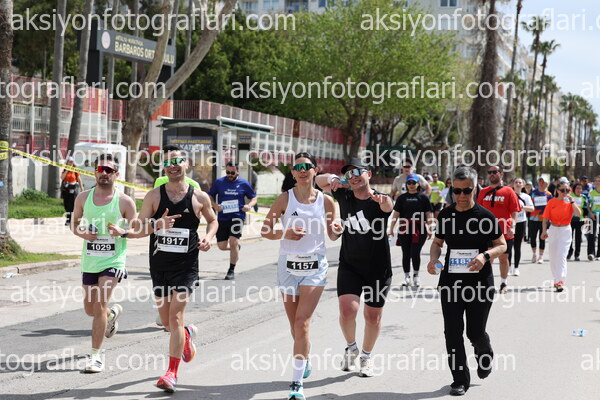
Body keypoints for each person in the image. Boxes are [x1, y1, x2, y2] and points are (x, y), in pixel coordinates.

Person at [127, 145, 217, 392]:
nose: (172, 166)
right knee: (168, 323)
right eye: (167, 162)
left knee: (176, 317)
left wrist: (208, 237)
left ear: (186, 164)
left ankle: (171, 373)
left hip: (186, 266)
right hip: (159, 266)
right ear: (163, 167)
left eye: (177, 161)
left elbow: (213, 221)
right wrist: (157, 224)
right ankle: (185, 335)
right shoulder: (154, 196)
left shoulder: (199, 197)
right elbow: (137, 229)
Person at [261, 153, 339, 400]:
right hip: (288, 266)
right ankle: (304, 354)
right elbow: (265, 230)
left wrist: (338, 230)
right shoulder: (285, 199)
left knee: (302, 322)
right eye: (298, 167)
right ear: (293, 173)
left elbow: (332, 234)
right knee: (295, 324)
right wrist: (285, 233)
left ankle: (296, 384)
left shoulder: (327, 202)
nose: (303, 170)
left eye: (307, 166)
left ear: (316, 171)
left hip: (315, 266)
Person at [427, 166, 506, 396]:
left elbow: (502, 244)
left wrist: (485, 256)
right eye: (457, 191)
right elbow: (437, 243)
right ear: (451, 189)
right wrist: (433, 259)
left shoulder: (485, 216)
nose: (461, 196)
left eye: (467, 190)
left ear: (475, 189)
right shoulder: (446, 215)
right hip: (451, 283)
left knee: (475, 332)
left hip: (480, 284)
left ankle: (484, 352)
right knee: (452, 332)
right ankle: (460, 379)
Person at [315, 158, 394, 379]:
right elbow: (318, 181)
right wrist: (334, 179)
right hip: (350, 265)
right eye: (349, 174)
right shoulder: (344, 195)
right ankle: (351, 348)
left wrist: (384, 202)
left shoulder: (379, 199)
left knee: (372, 316)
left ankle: (366, 357)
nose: (353, 177)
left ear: (368, 174)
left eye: (358, 172)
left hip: (378, 268)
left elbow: (388, 206)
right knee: (347, 310)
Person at [70, 154, 136, 373]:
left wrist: (122, 231)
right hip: (91, 260)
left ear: (116, 174)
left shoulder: (125, 201)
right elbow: (74, 224)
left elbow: (137, 228)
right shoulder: (83, 198)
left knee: (98, 305)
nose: (104, 173)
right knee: (91, 309)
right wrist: (82, 233)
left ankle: (95, 357)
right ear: (95, 172)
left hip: (113, 260)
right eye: (101, 169)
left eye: (109, 170)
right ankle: (111, 314)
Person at [208, 162, 257, 280]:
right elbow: (210, 196)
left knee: (233, 241)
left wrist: (249, 205)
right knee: (221, 246)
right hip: (222, 218)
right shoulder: (219, 182)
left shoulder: (244, 183)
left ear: (237, 171)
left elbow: (254, 197)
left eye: (232, 172)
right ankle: (235, 248)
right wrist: (214, 205)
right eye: (228, 172)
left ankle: (231, 270)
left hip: (237, 217)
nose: (230, 175)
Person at [477, 165, 520, 294]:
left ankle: (503, 283)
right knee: (487, 258)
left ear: (501, 174)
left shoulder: (509, 191)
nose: (492, 174)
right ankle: (487, 284)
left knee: (503, 258)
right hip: (486, 232)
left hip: (504, 232)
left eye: (495, 172)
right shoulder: (483, 191)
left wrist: (513, 226)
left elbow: (515, 211)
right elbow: (478, 210)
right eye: (490, 172)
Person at [388, 173, 433, 287]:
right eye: (409, 183)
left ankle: (416, 276)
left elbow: (428, 214)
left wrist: (429, 228)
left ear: (418, 184)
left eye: (414, 182)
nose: (411, 185)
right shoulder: (401, 198)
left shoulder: (423, 197)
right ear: (406, 184)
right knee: (406, 253)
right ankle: (407, 277)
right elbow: (396, 214)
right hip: (405, 228)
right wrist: (391, 228)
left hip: (419, 228)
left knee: (415, 252)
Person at [541, 181, 581, 292]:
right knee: (553, 257)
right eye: (562, 190)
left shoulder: (570, 202)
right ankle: (556, 279)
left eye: (567, 190)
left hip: (565, 230)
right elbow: (545, 218)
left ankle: (560, 281)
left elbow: (578, 214)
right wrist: (544, 231)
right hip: (553, 229)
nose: (565, 192)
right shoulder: (551, 202)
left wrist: (572, 201)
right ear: (557, 190)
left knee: (561, 256)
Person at [510, 178, 533, 276]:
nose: (518, 184)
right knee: (509, 246)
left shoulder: (526, 197)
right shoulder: (509, 195)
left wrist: (522, 207)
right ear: (513, 184)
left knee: (517, 246)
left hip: (521, 222)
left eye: (520, 183)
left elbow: (532, 208)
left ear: (523, 185)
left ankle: (516, 268)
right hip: (510, 222)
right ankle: (508, 267)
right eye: (516, 182)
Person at [529, 177, 553, 264]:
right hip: (533, 218)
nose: (541, 184)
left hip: (544, 219)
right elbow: (529, 203)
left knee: (542, 237)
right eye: (540, 182)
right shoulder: (533, 193)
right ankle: (534, 254)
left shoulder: (549, 194)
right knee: (532, 238)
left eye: (543, 182)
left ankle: (541, 256)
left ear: (547, 184)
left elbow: (551, 206)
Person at [61, 156, 84, 225]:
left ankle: (69, 220)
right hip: (66, 189)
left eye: (71, 162)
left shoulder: (75, 170)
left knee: (71, 205)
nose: (70, 163)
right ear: (67, 162)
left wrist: (82, 188)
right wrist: (67, 170)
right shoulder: (65, 169)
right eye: (69, 162)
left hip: (73, 189)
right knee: (66, 205)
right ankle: (69, 218)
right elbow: (62, 178)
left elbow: (79, 179)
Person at [568, 182, 587, 261]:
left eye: (580, 188)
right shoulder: (570, 196)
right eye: (577, 188)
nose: (579, 190)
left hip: (580, 220)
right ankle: (569, 252)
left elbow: (585, 209)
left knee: (578, 238)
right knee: (569, 237)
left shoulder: (584, 197)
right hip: (570, 220)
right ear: (574, 189)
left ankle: (577, 254)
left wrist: (586, 219)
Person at [586, 176, 600, 261]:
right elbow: (588, 205)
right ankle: (591, 253)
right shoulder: (591, 193)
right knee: (591, 234)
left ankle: (599, 255)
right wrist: (590, 213)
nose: (598, 182)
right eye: (596, 181)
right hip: (593, 216)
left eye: (599, 181)